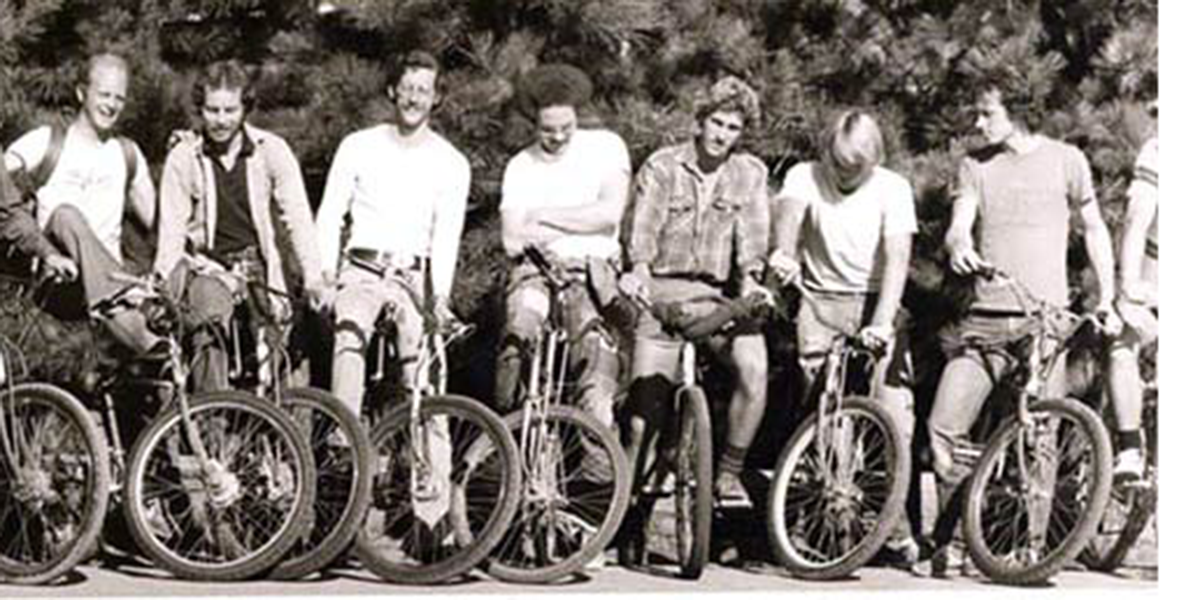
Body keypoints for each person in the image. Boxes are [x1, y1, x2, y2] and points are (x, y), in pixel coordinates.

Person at [921, 74, 1120, 577]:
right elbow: (959, 225)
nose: (977, 121)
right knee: (943, 428)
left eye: (987, 112)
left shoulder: (1066, 161)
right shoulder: (974, 165)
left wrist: (1108, 295)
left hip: (1045, 321)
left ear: (1017, 110)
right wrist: (960, 246)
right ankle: (955, 536)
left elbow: (1094, 228)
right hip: (984, 321)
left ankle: (1032, 551)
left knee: (1041, 434)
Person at [769, 108, 920, 563]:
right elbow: (789, 223)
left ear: (873, 160)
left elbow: (897, 260)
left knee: (893, 418)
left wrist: (882, 322)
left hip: (876, 302)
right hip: (819, 301)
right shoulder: (804, 176)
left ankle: (895, 530)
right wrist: (783, 254)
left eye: (856, 167)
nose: (845, 174)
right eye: (838, 163)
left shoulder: (893, 187)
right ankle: (834, 526)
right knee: (827, 418)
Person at [620, 75, 771, 505]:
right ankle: (629, 511)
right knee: (642, 418)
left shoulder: (750, 174)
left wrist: (754, 284)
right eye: (717, 123)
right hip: (662, 291)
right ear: (700, 121)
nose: (722, 135)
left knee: (754, 365)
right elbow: (643, 233)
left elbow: (752, 248)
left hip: (713, 298)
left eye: (733, 128)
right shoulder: (663, 165)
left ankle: (728, 473)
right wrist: (639, 273)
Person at [315, 50, 470, 418]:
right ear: (392, 91)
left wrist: (440, 297)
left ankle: (434, 469)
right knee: (350, 334)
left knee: (424, 359)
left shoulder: (451, 162)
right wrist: (325, 274)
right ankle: (346, 442)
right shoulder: (358, 145)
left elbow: (446, 237)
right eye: (407, 88)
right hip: (362, 271)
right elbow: (331, 213)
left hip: (412, 278)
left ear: (436, 98)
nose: (414, 98)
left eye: (423, 90)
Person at [155, 59, 325, 392]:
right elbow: (171, 229)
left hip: (260, 267)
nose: (221, 120)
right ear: (200, 109)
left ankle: (285, 431)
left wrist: (314, 275)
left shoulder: (270, 150)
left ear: (245, 107)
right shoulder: (185, 156)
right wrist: (164, 284)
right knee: (208, 318)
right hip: (210, 268)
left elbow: (298, 218)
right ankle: (213, 422)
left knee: (282, 344)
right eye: (212, 110)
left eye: (230, 110)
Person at [494, 63, 629, 439]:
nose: (557, 137)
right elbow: (512, 240)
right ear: (533, 123)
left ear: (577, 116)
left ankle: (601, 481)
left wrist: (544, 216)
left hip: (589, 272)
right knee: (518, 336)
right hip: (535, 271)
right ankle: (511, 444)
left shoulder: (606, 147)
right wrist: (572, 221)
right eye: (547, 130)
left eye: (566, 128)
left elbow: (609, 213)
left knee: (594, 371)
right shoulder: (520, 166)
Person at [1, 52, 161, 355]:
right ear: (81, 93)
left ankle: (200, 399)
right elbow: (3, 190)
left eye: (119, 98)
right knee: (65, 215)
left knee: (165, 358)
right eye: (103, 94)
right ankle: (122, 306)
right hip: (61, 280)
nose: (111, 104)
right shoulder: (47, 141)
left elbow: (160, 226)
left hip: (116, 284)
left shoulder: (126, 153)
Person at [1106, 100, 1158, 484]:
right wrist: (1128, 287)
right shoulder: (1158, 154)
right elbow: (1136, 225)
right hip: (1157, 267)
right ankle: (1129, 447)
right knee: (1123, 345)